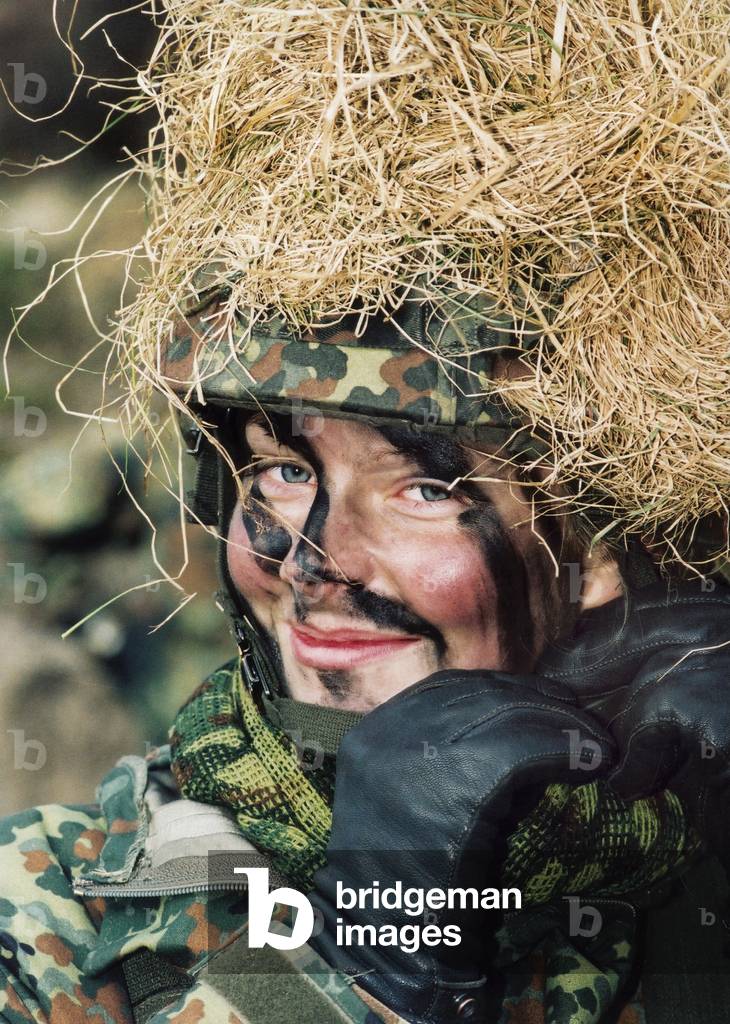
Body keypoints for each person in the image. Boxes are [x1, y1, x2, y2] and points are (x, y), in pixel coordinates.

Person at [1, 285, 729, 1024]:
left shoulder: (689, 860)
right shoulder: (43, 908)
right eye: (284, 473)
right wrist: (377, 960)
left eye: (425, 488)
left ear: (596, 553)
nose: (314, 563)